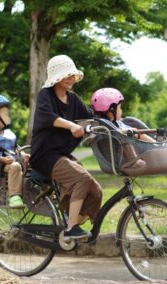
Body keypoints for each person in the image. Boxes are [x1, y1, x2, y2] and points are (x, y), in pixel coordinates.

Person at [30, 55, 102, 240]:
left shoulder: (73, 99)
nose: (71, 78)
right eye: (66, 74)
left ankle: (73, 221)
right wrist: (71, 125)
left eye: (72, 74)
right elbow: (47, 117)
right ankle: (71, 228)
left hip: (62, 155)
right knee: (81, 179)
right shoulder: (45, 95)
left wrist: (110, 122)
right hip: (45, 156)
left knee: (96, 191)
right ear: (56, 76)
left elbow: (89, 118)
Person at [91, 87, 155, 168]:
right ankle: (136, 161)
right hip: (119, 158)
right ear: (111, 111)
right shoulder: (103, 127)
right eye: (119, 108)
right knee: (124, 137)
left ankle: (156, 146)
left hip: (124, 155)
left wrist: (137, 133)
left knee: (140, 134)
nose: (121, 111)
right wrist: (129, 132)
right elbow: (116, 134)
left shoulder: (118, 123)